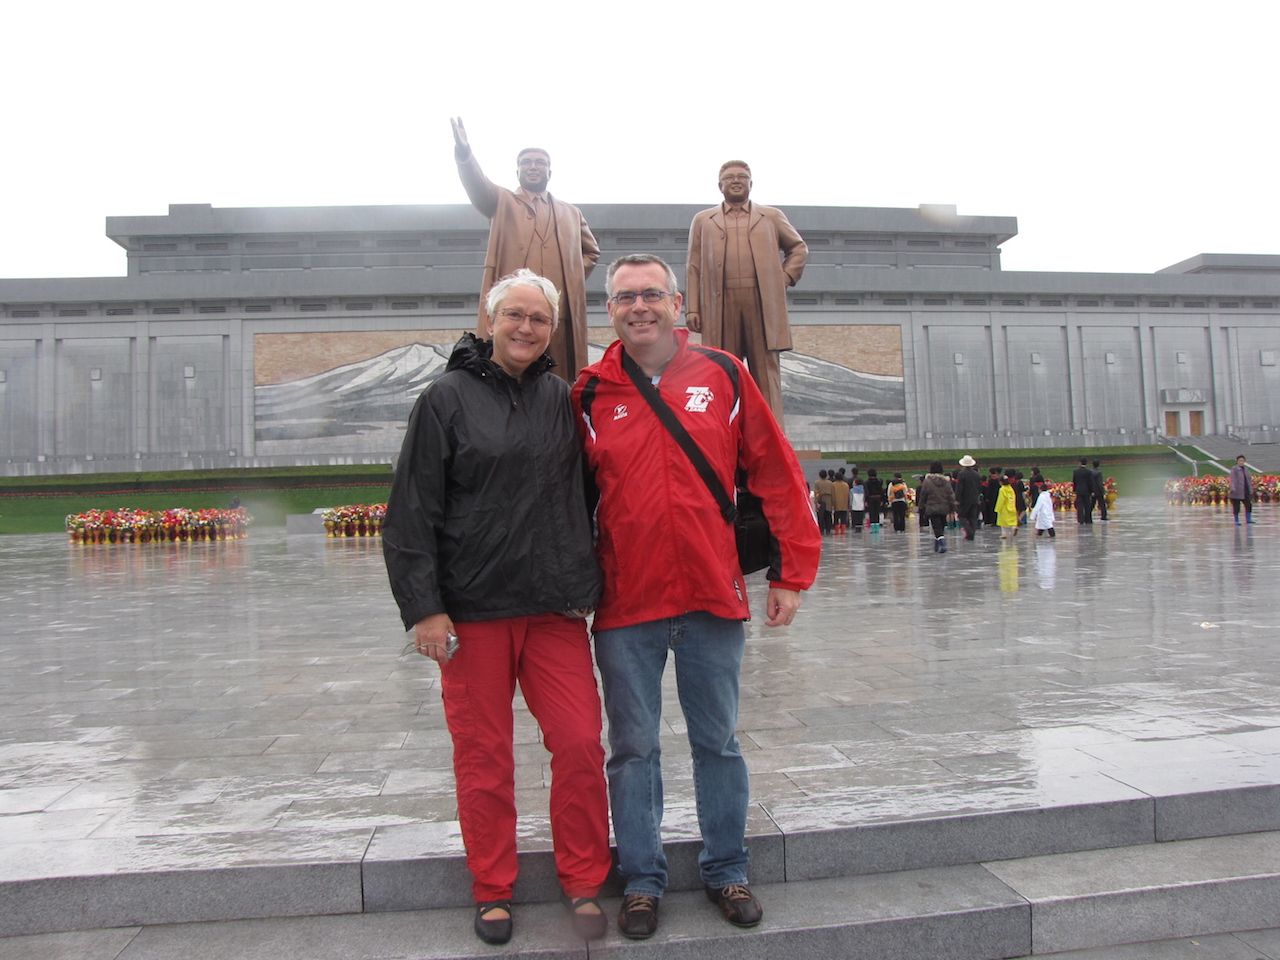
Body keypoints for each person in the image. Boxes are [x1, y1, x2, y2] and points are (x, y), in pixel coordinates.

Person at [572, 254, 821, 940]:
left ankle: (726, 869)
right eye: (625, 297)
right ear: (611, 312)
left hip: (711, 595)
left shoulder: (722, 373)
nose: (639, 306)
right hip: (626, 605)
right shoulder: (590, 393)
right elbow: (564, 503)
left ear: (677, 305)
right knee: (631, 749)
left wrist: (792, 572)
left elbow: (775, 469)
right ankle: (643, 881)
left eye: (652, 293)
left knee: (718, 743)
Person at [382, 270, 611, 945]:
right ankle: (492, 888)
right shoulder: (445, 400)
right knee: (484, 755)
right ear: (490, 320)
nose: (526, 329)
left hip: (552, 609)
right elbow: (411, 512)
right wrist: (424, 608)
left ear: (552, 330)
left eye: (540, 319)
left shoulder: (561, 399)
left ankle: (583, 879)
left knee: (577, 743)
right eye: (515, 315)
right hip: (474, 611)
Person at [451, 117, 600, 381]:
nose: (533, 167)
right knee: (508, 369)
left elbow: (591, 253)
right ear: (517, 171)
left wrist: (570, 280)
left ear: (550, 172)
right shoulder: (502, 201)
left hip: (558, 313)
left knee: (560, 376)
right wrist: (465, 154)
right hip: (515, 310)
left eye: (540, 163)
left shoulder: (571, 213)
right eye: (526, 163)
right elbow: (478, 186)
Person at [685, 162, 808, 425]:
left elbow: (798, 249)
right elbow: (693, 266)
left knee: (766, 371)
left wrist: (782, 279)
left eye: (743, 176)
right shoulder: (703, 220)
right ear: (720, 186)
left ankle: (774, 434)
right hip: (720, 304)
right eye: (729, 177)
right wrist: (693, 308)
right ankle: (722, 430)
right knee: (721, 368)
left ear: (752, 183)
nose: (736, 181)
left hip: (761, 303)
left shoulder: (771, 216)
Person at [917, 461, 958, 553]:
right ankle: (937, 544)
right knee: (941, 526)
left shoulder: (928, 481)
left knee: (936, 527)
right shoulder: (946, 481)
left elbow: (923, 494)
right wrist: (953, 507)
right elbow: (951, 495)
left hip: (932, 507)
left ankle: (942, 544)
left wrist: (921, 505)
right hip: (944, 507)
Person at [956, 455, 982, 541]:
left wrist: (957, 499)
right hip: (974, 498)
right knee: (972, 517)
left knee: (961, 516)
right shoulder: (976, 474)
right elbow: (979, 487)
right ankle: (971, 534)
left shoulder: (962, 474)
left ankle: (969, 531)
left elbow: (959, 487)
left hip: (964, 499)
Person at [1230, 455, 1257, 525]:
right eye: (1240, 461)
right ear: (1237, 461)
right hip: (1237, 490)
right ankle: (1236, 520)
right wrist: (1233, 488)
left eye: (1242, 461)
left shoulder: (1246, 469)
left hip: (1245, 490)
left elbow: (1249, 480)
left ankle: (1248, 519)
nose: (1241, 462)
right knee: (1236, 506)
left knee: (1248, 504)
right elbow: (1232, 479)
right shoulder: (1234, 469)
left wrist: (1251, 489)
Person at [996, 474, 1020, 538]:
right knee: (1012, 520)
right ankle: (1014, 528)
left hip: (1004, 507)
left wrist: (997, 508)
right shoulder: (1011, 488)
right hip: (1012, 506)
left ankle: (1004, 534)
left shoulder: (1002, 489)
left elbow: (1001, 499)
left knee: (1003, 522)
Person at [1072, 458, 1094, 524]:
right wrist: (1092, 491)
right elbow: (1091, 482)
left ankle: (1080, 519)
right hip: (1087, 491)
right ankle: (1088, 519)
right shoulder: (1089, 471)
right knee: (1087, 506)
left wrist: (1074, 490)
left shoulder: (1076, 471)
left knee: (1080, 506)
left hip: (1079, 490)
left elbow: (1074, 481)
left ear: (1080, 463)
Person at [814, 469, 835, 534]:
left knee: (820, 516)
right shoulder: (830, 483)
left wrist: (816, 502)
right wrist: (833, 503)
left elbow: (816, 493)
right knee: (828, 515)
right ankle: (828, 529)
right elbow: (833, 493)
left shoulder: (817, 483)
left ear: (819, 475)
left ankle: (821, 529)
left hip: (821, 499)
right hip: (828, 499)